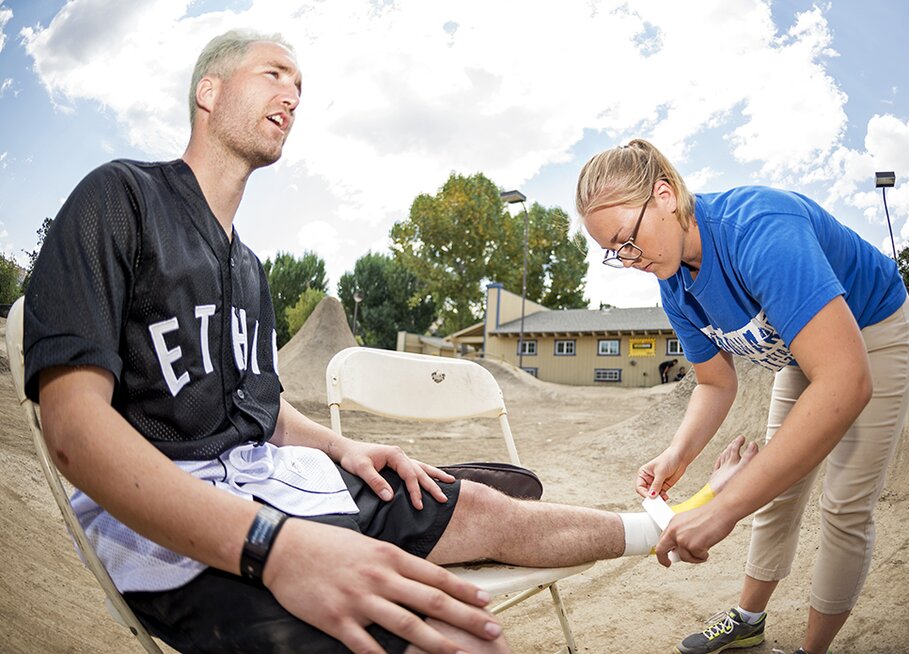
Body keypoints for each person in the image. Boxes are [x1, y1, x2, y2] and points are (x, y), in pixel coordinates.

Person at [24, 33, 757, 654]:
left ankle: (667, 521)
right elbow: (74, 433)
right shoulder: (119, 198)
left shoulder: (247, 266)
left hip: (271, 480)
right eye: (274, 74)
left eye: (300, 86)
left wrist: (346, 448)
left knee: (487, 508)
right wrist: (270, 545)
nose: (293, 95)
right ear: (208, 92)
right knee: (442, 632)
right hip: (168, 528)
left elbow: (261, 412)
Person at [576, 139, 909, 654]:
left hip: (872, 331)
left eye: (628, 240)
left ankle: (812, 650)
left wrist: (723, 510)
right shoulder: (672, 281)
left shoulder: (759, 229)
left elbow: (846, 380)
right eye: (614, 252)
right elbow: (715, 382)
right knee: (777, 491)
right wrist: (678, 454)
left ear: (665, 195)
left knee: (844, 505)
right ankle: (749, 619)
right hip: (803, 354)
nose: (630, 259)